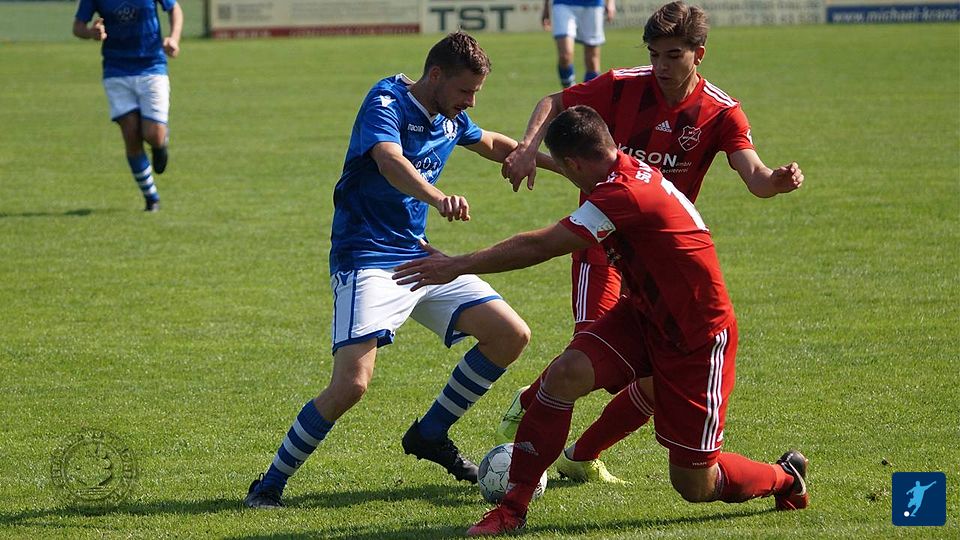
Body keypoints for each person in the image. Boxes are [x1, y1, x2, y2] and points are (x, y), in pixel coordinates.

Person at [392, 106, 809, 536]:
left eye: (566, 171)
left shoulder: (623, 194)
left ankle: (785, 477)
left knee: (694, 483)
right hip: (643, 316)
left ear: (574, 164)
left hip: (696, 337)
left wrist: (456, 265)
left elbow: (541, 245)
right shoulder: (623, 171)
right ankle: (512, 508)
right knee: (565, 374)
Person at [243, 31, 560, 509]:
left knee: (510, 334)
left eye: (476, 92)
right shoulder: (386, 101)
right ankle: (268, 485)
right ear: (436, 75)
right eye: (465, 90)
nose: (470, 101)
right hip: (367, 258)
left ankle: (430, 433)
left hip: (418, 256)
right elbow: (390, 161)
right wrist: (437, 197)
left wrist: (557, 165)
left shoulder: (451, 116)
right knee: (351, 384)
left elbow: (494, 142)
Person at [496, 0, 804, 483]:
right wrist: (527, 147)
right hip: (599, 242)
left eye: (673, 55)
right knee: (590, 355)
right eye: (655, 54)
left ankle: (576, 449)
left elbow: (756, 177)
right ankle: (538, 407)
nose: (661, 66)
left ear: (699, 54)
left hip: (659, 261)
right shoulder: (623, 86)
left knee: (655, 377)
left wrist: (776, 181)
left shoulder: (721, 112)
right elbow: (555, 102)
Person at [73, 0, 182, 212]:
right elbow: (77, 27)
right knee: (131, 135)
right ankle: (151, 198)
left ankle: (160, 143)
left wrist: (174, 38)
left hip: (151, 66)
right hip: (117, 70)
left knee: (153, 135)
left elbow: (174, 8)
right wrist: (91, 33)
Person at [542, 0, 617, 88]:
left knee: (592, 61)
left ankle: (588, 95)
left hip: (593, 5)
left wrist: (611, 2)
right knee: (565, 56)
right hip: (563, 3)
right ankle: (570, 91)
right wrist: (546, 7)